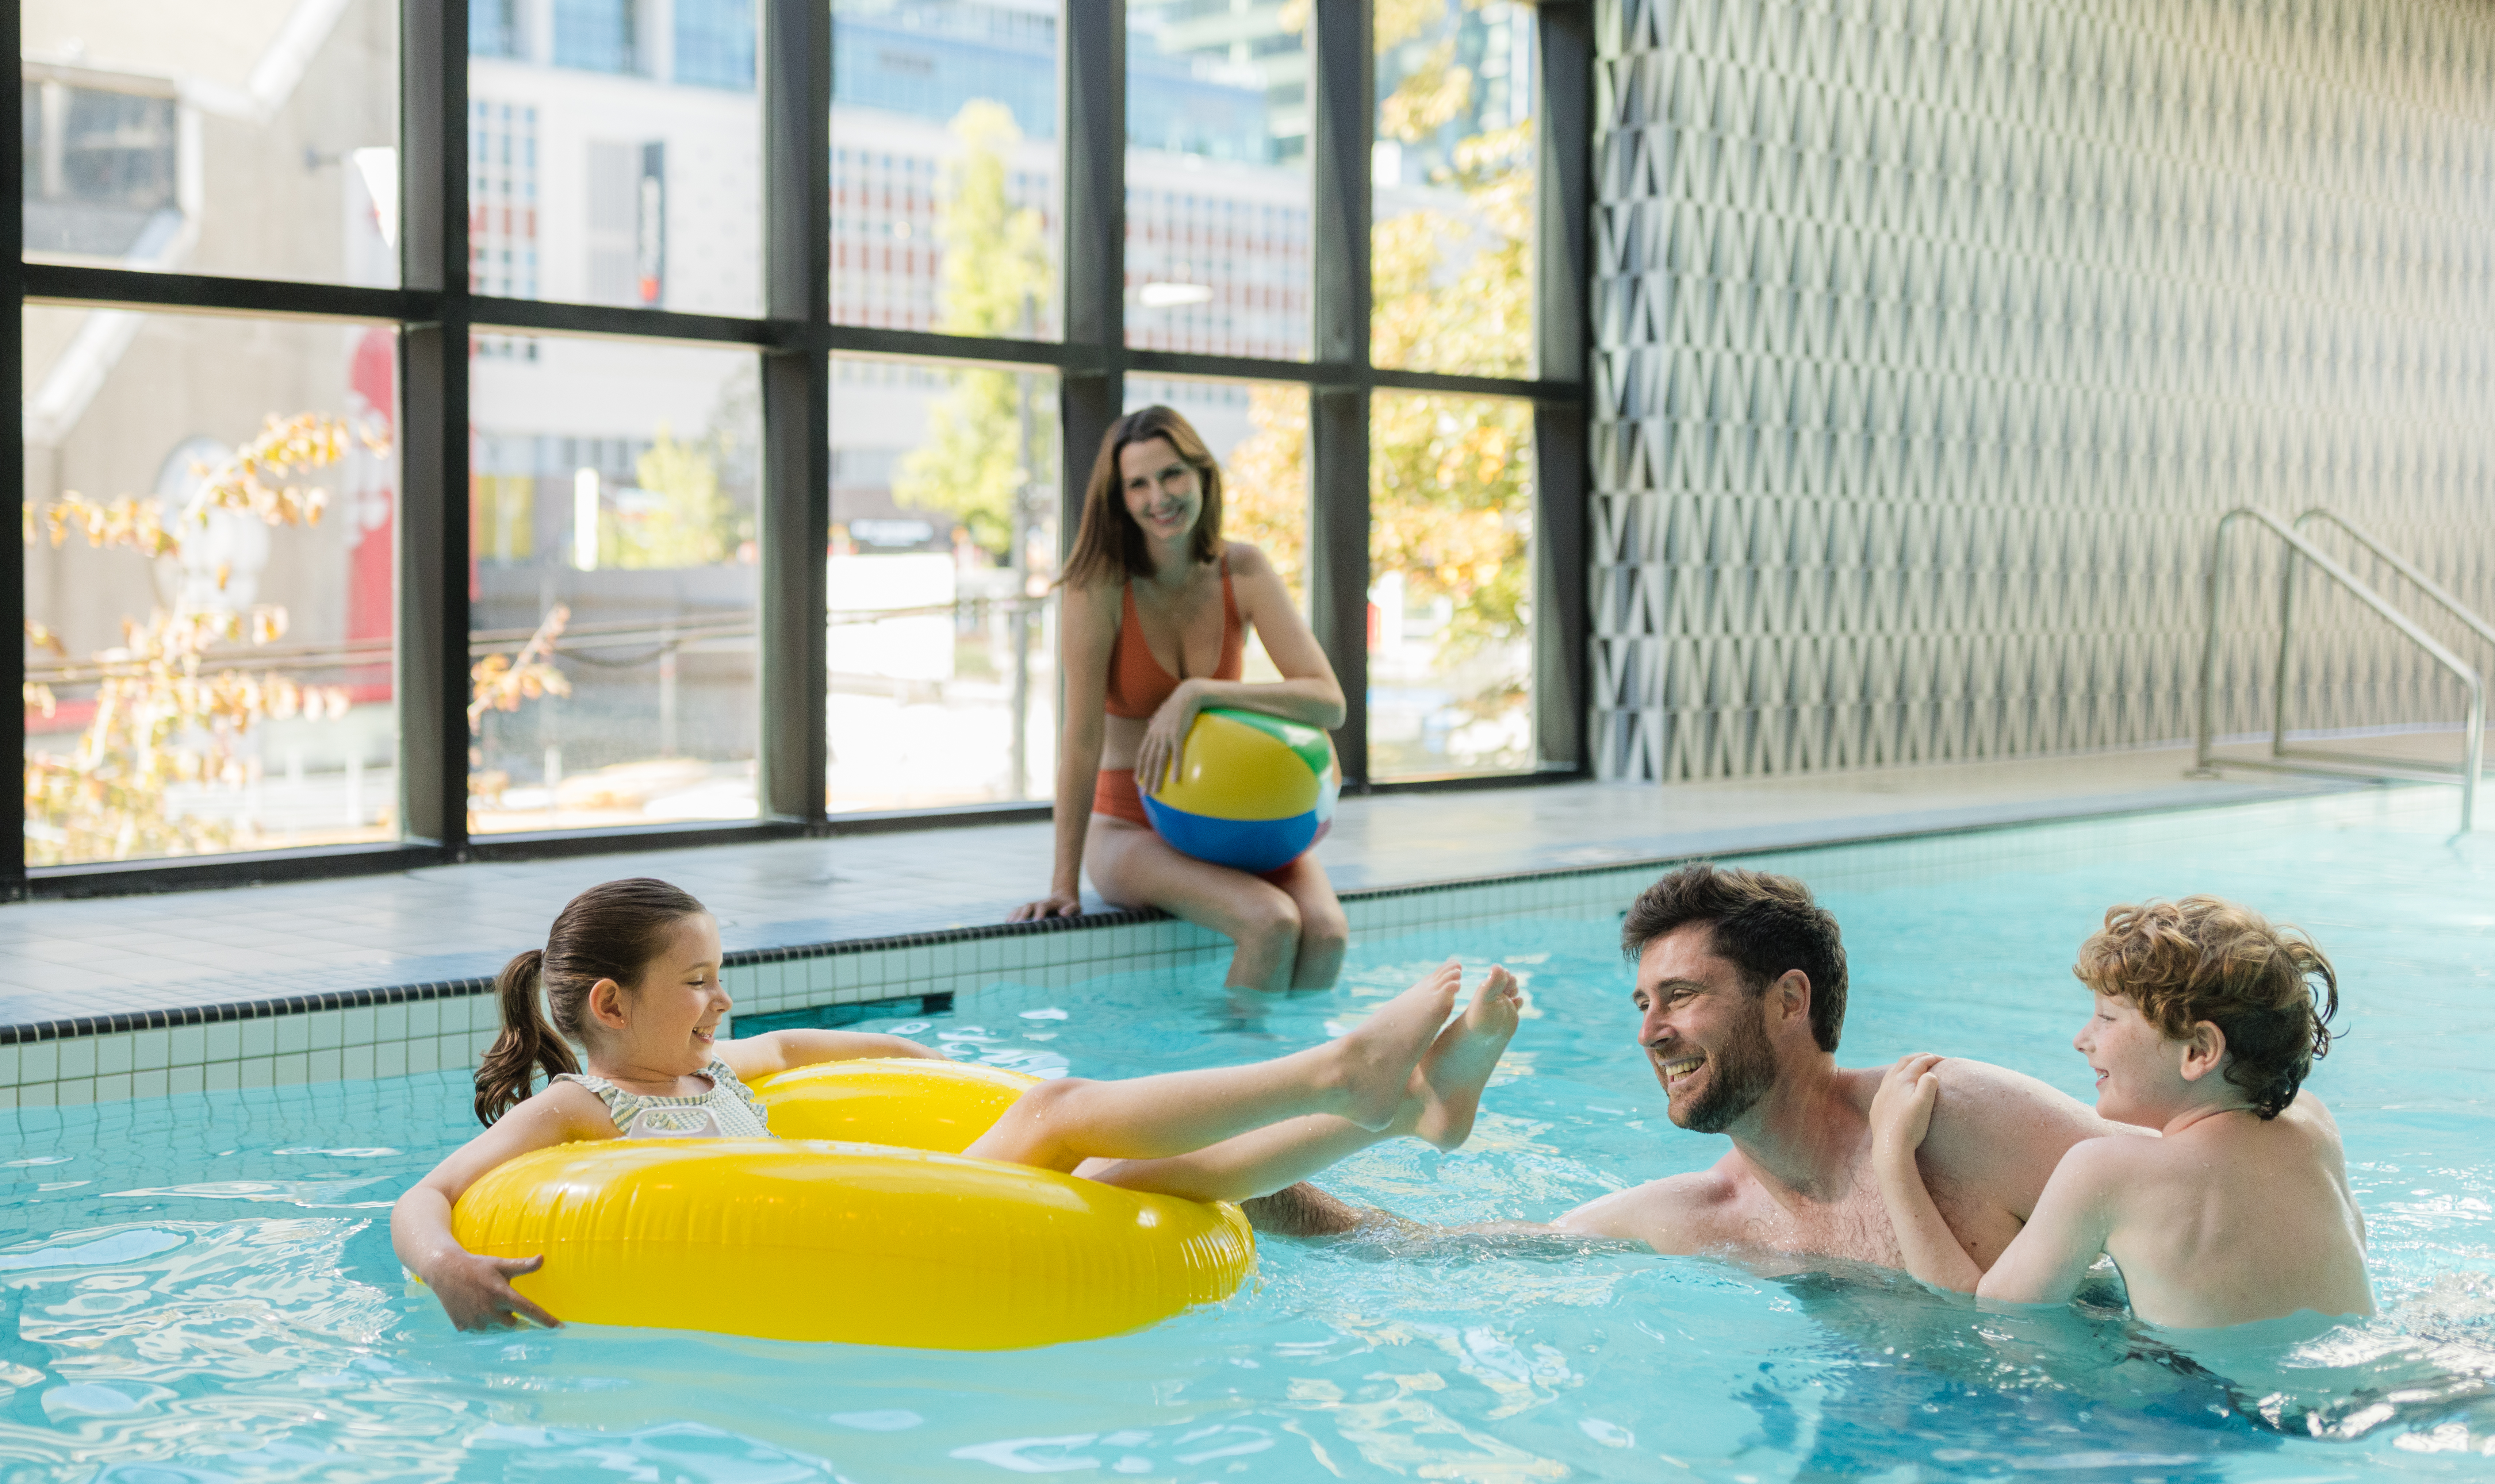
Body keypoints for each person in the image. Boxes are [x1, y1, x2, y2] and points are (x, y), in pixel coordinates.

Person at [391, 877, 1527, 1329]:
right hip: (854, 1236)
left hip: (895, 1205)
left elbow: (821, 1047)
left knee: (1145, 1177)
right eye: (695, 983)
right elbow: (429, 1194)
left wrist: (911, 1061)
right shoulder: (582, 1114)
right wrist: (446, 1263)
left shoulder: (716, 1069)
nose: (720, 999)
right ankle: (1336, 1073)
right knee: (1060, 1110)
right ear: (609, 1004)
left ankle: (1396, 1112)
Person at [1248, 862, 2123, 1255]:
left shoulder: (1946, 1112)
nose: (1648, 1033)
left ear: (1789, 1001)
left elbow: (2184, 1185)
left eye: (1680, 996)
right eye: (1642, 1003)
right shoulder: (1701, 1216)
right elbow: (1427, 1250)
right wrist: (1241, 1179)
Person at [1870, 896, 2372, 1328]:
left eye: (2107, 1018)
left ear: (2198, 1051)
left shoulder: (2106, 1173)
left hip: (2203, 1417)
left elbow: (1984, 1315)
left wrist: (1893, 1161)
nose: (2082, 1040)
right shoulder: (2314, 1126)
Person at [1007, 406, 1350, 993]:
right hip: (1131, 825)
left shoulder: (1241, 570)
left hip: (1239, 817)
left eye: (1171, 476)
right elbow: (1081, 738)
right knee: (1269, 923)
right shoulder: (1099, 586)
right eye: (1137, 484)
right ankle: (1238, 1079)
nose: (1158, 497)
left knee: (1325, 932)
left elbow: (1329, 703)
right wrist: (1064, 883)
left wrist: (1199, 692)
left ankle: (1303, 1072)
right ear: (1119, 498)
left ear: (1202, 476)